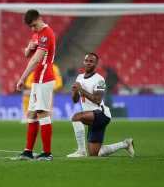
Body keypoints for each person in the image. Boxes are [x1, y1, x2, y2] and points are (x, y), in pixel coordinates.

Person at [66, 53, 135, 157]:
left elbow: (98, 100)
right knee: (95, 153)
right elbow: (75, 100)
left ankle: (81, 151)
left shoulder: (99, 79)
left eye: (91, 61)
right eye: (86, 61)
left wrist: (81, 90)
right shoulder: (79, 77)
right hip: (92, 117)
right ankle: (125, 144)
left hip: (101, 114)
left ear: (96, 64)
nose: (88, 63)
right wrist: (76, 92)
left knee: (76, 118)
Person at [11, 9, 56, 161]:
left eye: (34, 25)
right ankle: (28, 152)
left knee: (42, 112)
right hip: (38, 79)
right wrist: (28, 49)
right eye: (30, 27)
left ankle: (47, 153)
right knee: (31, 114)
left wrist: (22, 78)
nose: (33, 29)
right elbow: (27, 54)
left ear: (40, 19)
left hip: (45, 77)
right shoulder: (37, 34)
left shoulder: (46, 34)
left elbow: (36, 60)